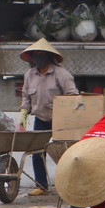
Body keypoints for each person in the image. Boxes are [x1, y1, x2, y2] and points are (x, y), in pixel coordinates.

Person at [17, 37, 78, 196]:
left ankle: (71, 184)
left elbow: (72, 95)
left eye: (41, 54)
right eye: (35, 55)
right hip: (41, 119)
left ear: (49, 57)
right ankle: (41, 184)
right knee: (37, 152)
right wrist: (24, 112)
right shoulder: (30, 75)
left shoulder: (61, 74)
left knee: (66, 154)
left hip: (60, 120)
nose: (38, 58)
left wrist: (66, 113)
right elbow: (25, 96)